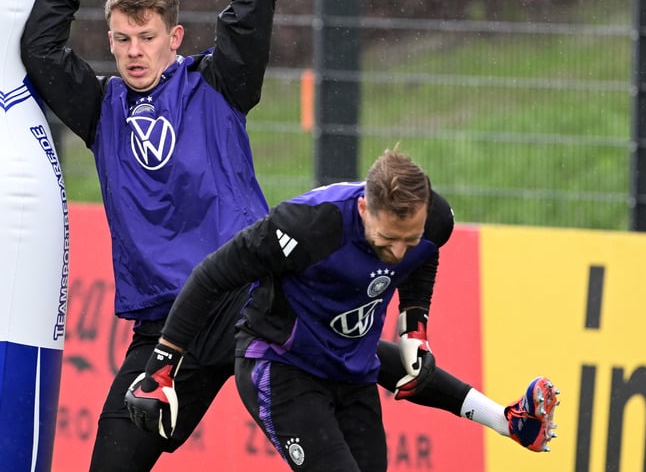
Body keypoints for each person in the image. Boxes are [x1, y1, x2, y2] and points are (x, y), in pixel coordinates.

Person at [20, 0, 558, 472]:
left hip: (246, 294)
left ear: (176, 37)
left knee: (348, 353)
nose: (134, 51)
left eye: (146, 36)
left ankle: (504, 418)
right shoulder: (101, 108)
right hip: (164, 323)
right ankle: (505, 416)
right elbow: (39, 48)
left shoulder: (217, 83)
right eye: (121, 39)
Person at [124, 148, 556, 471]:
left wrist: (415, 328)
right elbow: (210, 277)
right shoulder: (306, 226)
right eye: (388, 239)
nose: (398, 251)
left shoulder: (432, 221)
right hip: (281, 366)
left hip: (351, 370)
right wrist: (161, 369)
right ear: (365, 208)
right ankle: (504, 419)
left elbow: (424, 257)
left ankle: (507, 420)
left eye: (410, 237)